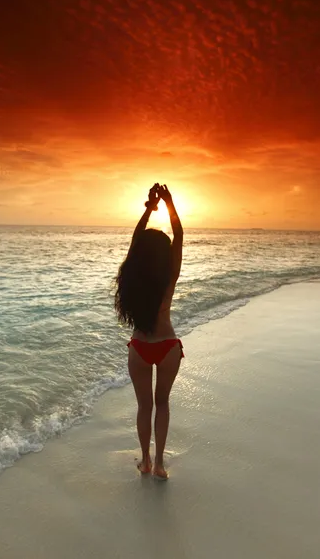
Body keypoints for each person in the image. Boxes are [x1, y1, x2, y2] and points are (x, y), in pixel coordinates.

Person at [115, 183, 184, 480]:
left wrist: (149, 208)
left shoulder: (134, 275)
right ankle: (159, 464)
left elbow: (134, 242)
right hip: (167, 346)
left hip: (140, 347)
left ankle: (144, 461)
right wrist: (168, 203)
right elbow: (179, 235)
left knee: (144, 407)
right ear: (164, 254)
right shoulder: (170, 274)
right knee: (162, 404)